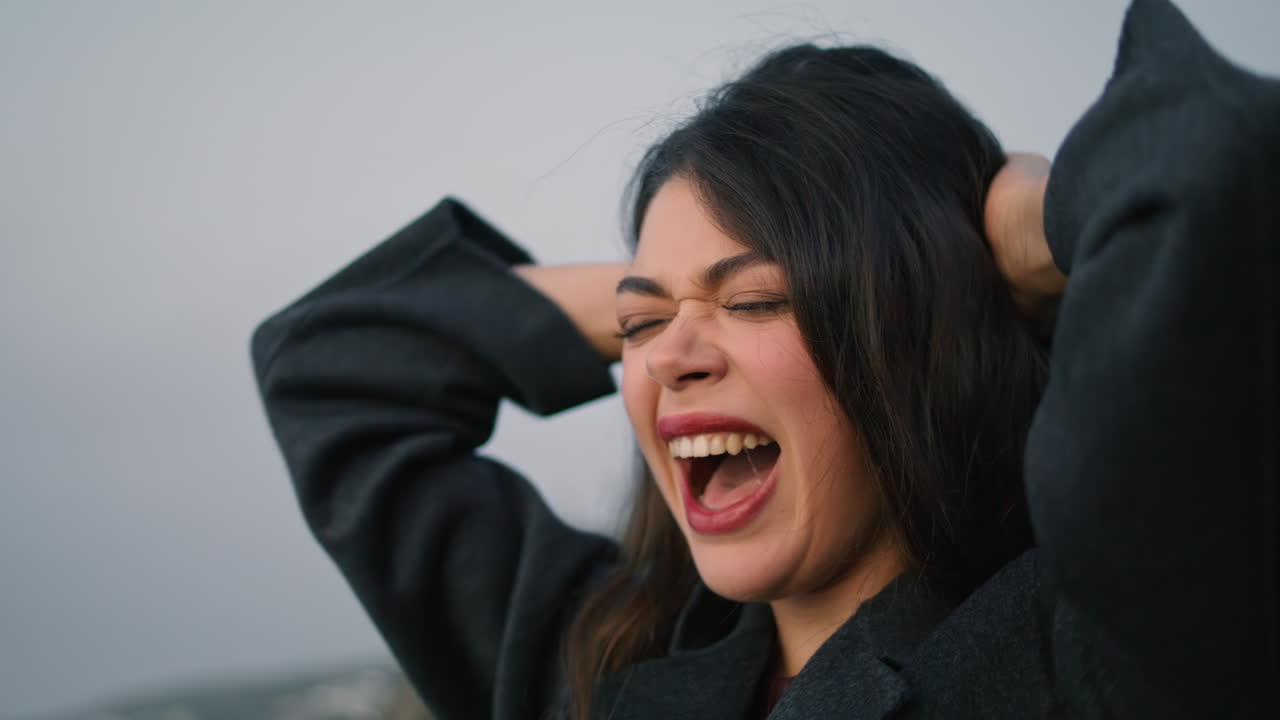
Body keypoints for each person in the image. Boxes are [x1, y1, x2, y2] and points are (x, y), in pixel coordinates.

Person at [251, 1, 1277, 717]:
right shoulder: (598, 670)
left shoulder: (1094, 642)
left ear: (916, 323)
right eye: (637, 328)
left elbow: (1209, 156)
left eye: (754, 300)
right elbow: (333, 362)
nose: (667, 360)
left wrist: (1002, 234)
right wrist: (687, 292)